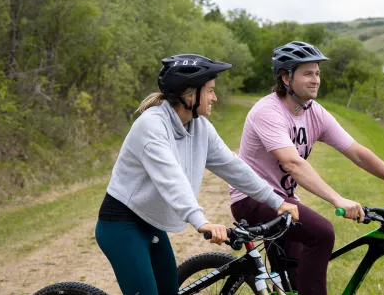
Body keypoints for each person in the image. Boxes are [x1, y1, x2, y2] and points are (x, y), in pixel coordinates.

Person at [229, 41, 384, 295]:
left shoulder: (314, 113)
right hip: (252, 198)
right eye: (307, 73)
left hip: (284, 202)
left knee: (299, 280)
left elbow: (358, 153)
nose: (316, 80)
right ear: (285, 77)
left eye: (318, 73)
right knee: (322, 233)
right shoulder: (268, 112)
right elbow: (292, 163)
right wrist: (337, 199)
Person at [95, 54, 299, 295]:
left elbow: (233, 167)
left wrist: (277, 201)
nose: (214, 97)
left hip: (151, 224)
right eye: (210, 90)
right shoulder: (151, 126)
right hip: (121, 225)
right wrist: (201, 222)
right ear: (189, 93)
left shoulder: (198, 126)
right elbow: (171, 179)